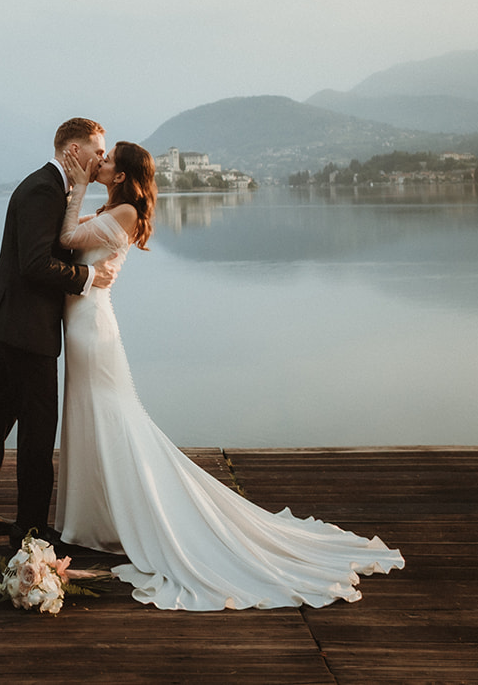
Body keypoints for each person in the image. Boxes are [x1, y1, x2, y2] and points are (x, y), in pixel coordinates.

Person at [54, 140, 405, 611]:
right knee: (91, 413)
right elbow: (74, 244)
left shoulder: (124, 214)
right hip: (83, 320)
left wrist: (75, 185)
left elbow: (66, 242)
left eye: (109, 159)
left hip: (92, 328)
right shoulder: (115, 208)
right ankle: (93, 517)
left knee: (110, 415)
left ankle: (117, 516)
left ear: (120, 175)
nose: (101, 162)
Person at [0, 118, 119, 546]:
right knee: (37, 428)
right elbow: (34, 264)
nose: (101, 158)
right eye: (97, 150)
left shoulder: (52, 188)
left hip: (13, 321)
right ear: (74, 150)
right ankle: (29, 527)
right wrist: (87, 276)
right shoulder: (44, 189)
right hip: (27, 328)